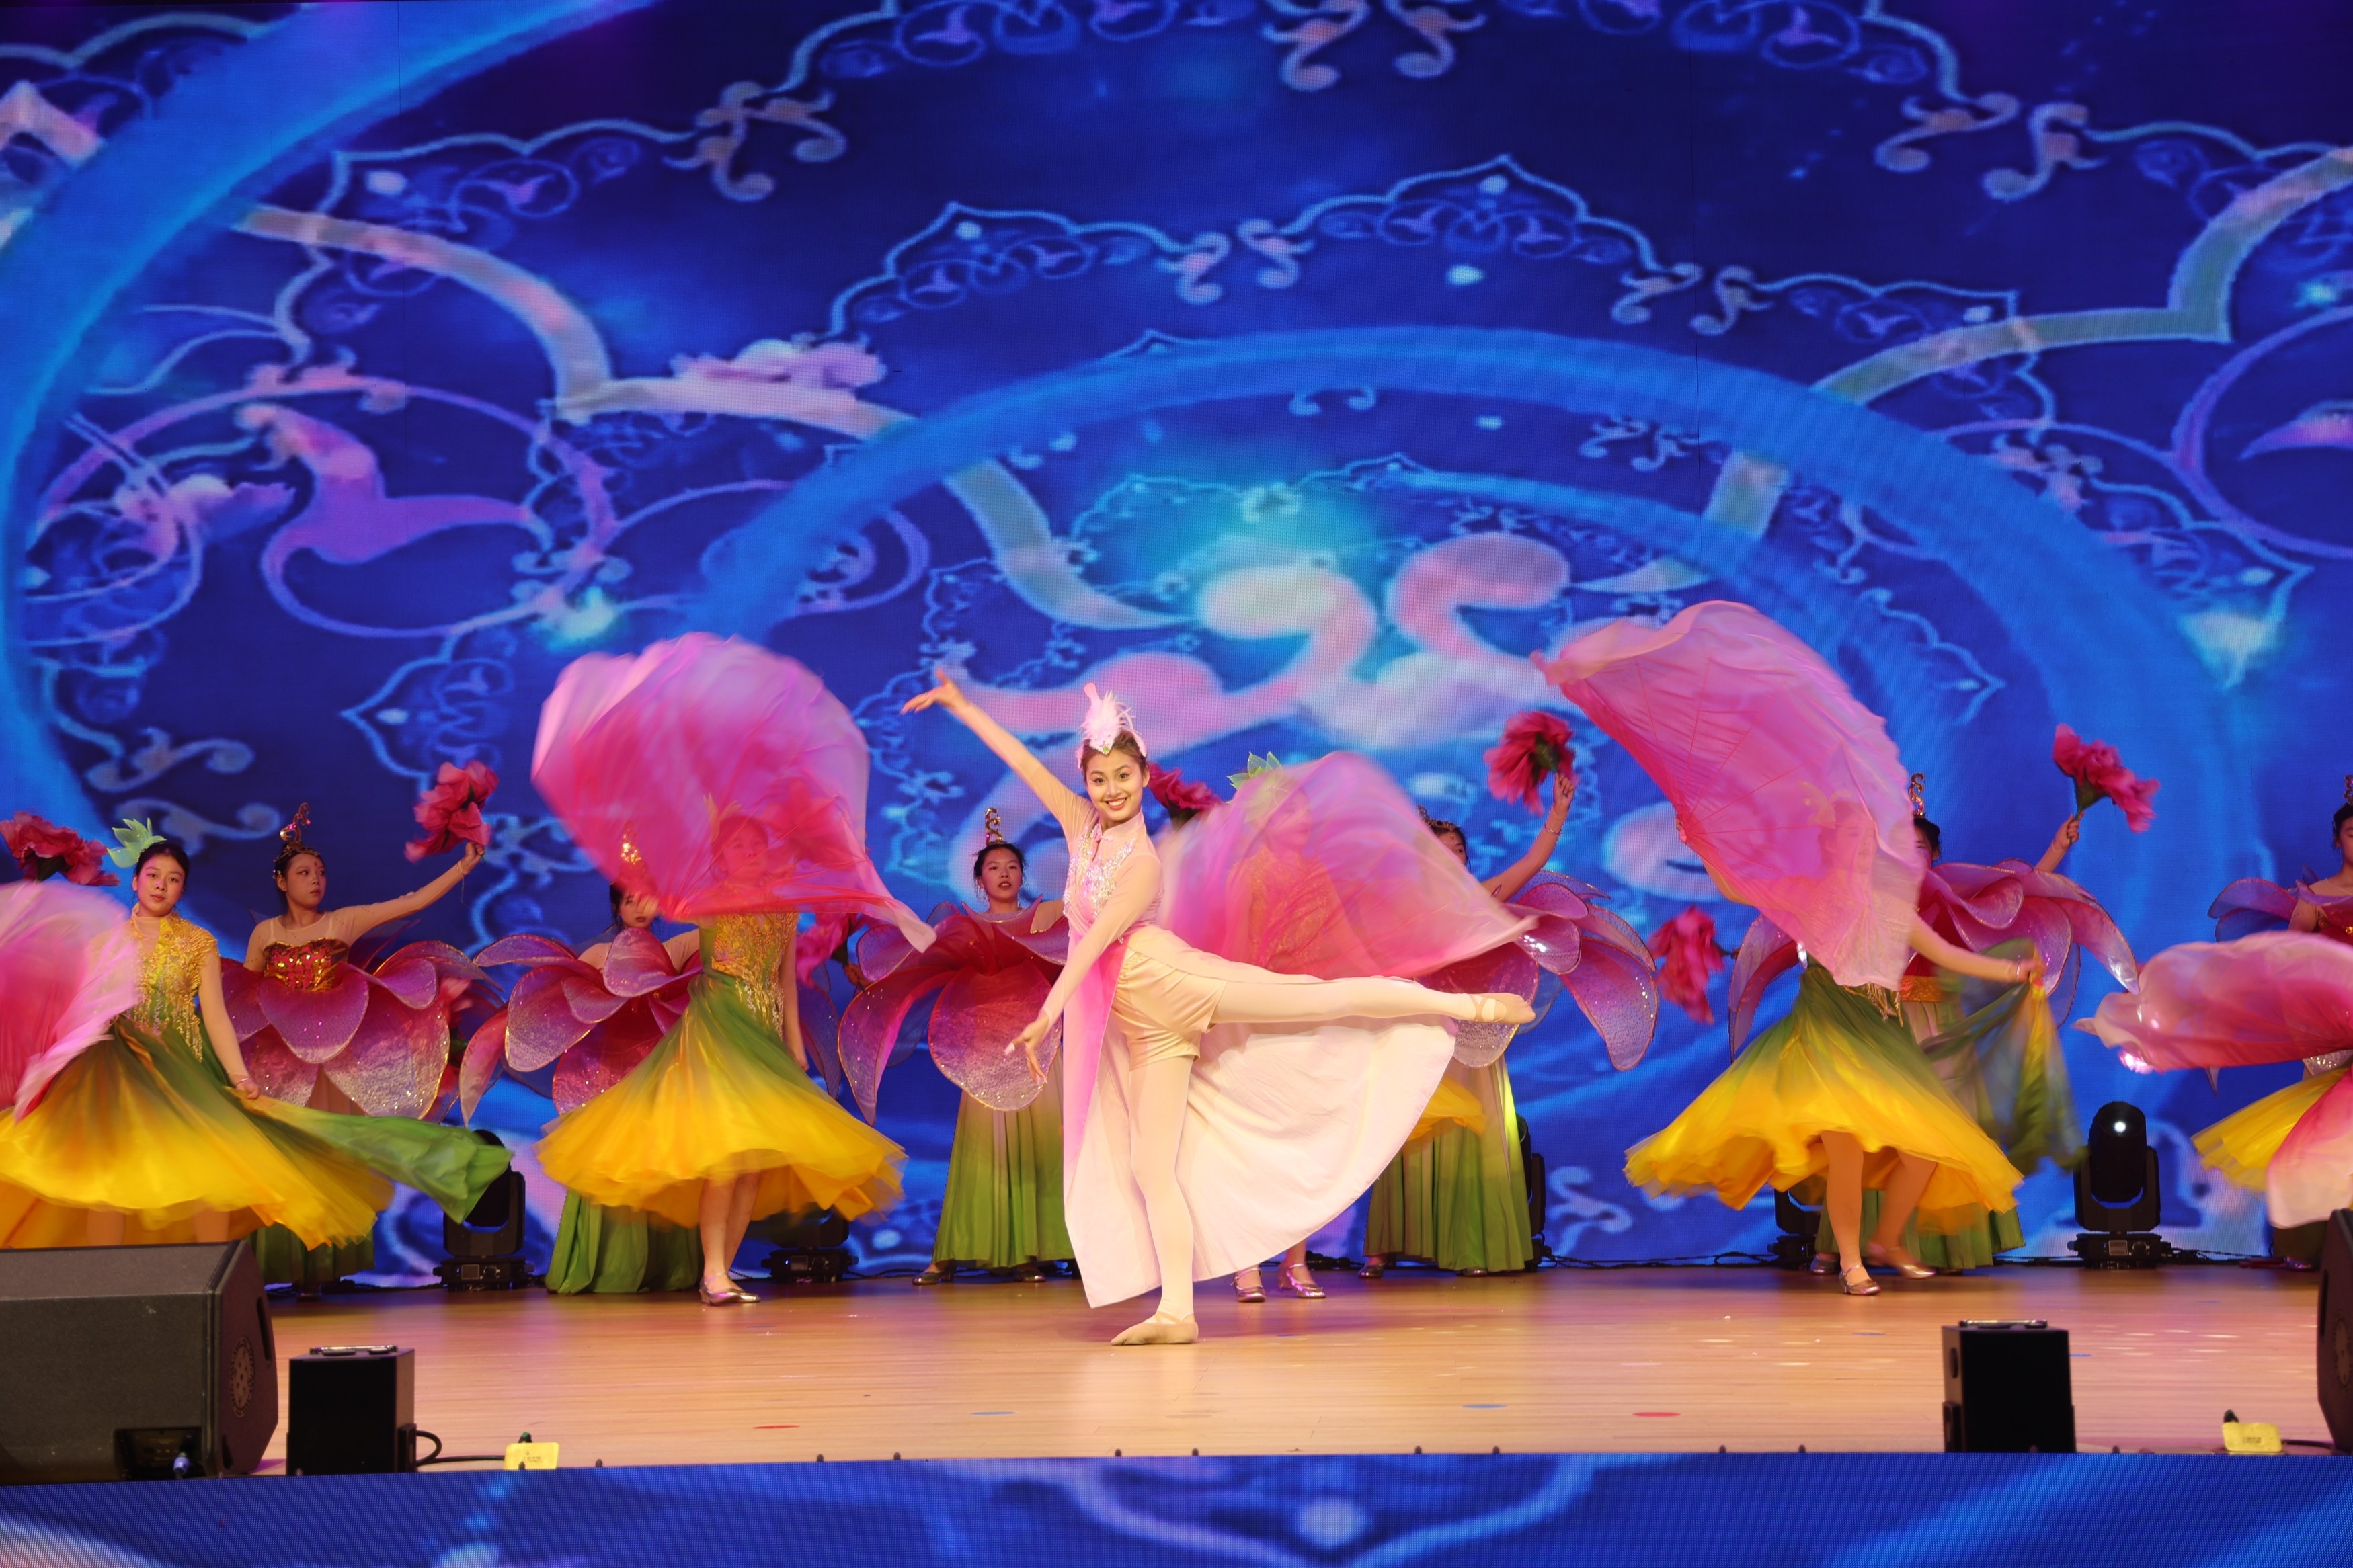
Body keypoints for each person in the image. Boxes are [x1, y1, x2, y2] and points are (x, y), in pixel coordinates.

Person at [902, 671, 1533, 1344]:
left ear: (1144, 777)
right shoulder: (1081, 826)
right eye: (1099, 779)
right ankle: (1177, 1310)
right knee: (1151, 1169)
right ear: (1086, 783)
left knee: (1318, 1000)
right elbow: (1026, 764)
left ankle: (1470, 1004)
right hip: (1145, 1029)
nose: (1111, 789)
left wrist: (1047, 1011)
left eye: (1123, 776)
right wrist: (965, 706)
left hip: (1175, 981)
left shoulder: (1141, 861)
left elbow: (1095, 944)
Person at [1538, 600, 2032, 1297]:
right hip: (1829, 1033)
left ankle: (1885, 1238)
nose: (1864, 846)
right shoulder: (1810, 895)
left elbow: (1946, 955)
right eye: (1854, 838)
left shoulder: (1891, 907)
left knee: (1929, 1146)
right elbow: (1737, 887)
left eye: (1869, 839)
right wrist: (1698, 838)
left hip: (1885, 1037)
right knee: (1847, 1151)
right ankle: (1853, 1259)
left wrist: (2008, 967)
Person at [529, 634, 923, 1305]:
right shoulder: (708, 899)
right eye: (735, 844)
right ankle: (712, 1272)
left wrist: (796, 1050)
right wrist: (701, 747)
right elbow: (701, 811)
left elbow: (784, 983)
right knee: (726, 1156)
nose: (747, 851)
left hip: (764, 1036)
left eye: (754, 844)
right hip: (718, 1031)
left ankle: (722, 1269)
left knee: (753, 1164)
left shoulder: (782, 909)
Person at [0, 829, 508, 1253]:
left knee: (203, 1175)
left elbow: (219, 1018)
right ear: (136, 881)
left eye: (174, 879)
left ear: (182, 890)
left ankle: (201, 1288)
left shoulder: (198, 943)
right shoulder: (106, 939)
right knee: (103, 1176)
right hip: (109, 1071)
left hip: (180, 1071)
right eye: (153, 876)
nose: (161, 886)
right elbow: (74, 1008)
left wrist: (240, 1076)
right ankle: (104, 1284)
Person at [1806, 784, 2130, 1272]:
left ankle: (1931, 1243)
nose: (1909, 855)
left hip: (1937, 1025)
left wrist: (2056, 849)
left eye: (1920, 847)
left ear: (1936, 854)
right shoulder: (1866, 900)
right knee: (1865, 1134)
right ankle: (1843, 1244)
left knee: (1934, 1136)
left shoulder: (1952, 895)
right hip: (1880, 1022)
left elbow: (2015, 897)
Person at [227, 806, 487, 1288]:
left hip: (331, 1068)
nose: (316, 880)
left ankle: (325, 1270)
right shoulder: (266, 934)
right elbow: (243, 1001)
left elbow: (412, 901)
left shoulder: (342, 922)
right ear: (281, 881)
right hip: (279, 1067)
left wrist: (463, 867)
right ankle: (288, 1265)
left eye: (321, 872)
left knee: (333, 1159)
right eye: (304, 872)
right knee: (285, 1162)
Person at [1360, 772, 1573, 1281]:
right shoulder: (1398, 903)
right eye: (1443, 848)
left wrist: (1558, 814)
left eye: (1460, 849)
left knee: (1474, 1130)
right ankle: (1388, 1243)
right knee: (1409, 1128)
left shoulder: (1479, 897)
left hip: (1471, 1031)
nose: (1454, 855)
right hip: (1416, 1026)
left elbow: (1532, 862)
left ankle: (1472, 1242)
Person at [844, 819, 1072, 1286]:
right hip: (984, 1051)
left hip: (1037, 1046)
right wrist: (877, 976)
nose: (1004, 873)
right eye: (994, 867)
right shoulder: (963, 927)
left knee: (1044, 1149)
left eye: (1012, 866)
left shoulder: (1046, 919)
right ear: (979, 880)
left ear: (1022, 875)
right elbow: (916, 957)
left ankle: (1034, 1250)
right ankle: (958, 1252)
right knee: (985, 1151)